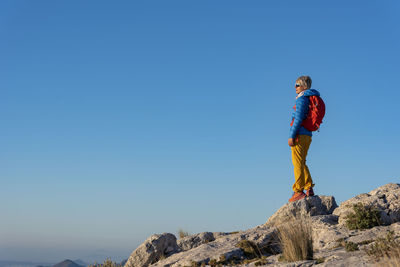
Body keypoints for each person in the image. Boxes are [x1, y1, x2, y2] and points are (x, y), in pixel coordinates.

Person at [288, 75, 321, 202]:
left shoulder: (302, 99)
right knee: (301, 162)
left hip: (299, 135)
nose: (295, 87)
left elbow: (298, 118)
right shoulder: (309, 98)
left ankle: (298, 190)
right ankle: (308, 187)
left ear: (304, 86)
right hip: (307, 135)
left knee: (297, 163)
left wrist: (292, 135)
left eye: (297, 84)